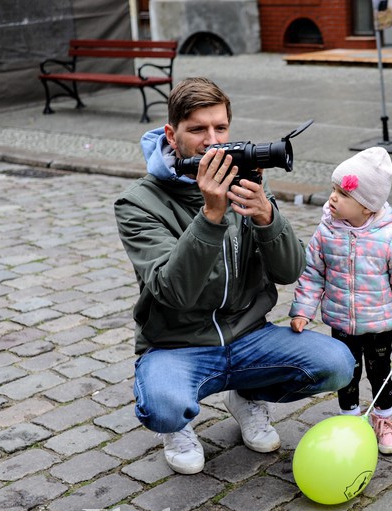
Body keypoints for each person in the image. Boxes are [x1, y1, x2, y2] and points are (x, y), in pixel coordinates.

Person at [114, 77, 355, 475]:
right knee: (163, 406)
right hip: (177, 345)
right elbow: (174, 291)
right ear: (172, 136)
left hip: (249, 335)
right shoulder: (138, 203)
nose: (212, 140)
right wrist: (210, 216)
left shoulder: (245, 177)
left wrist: (266, 216)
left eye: (220, 128)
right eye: (197, 130)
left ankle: (246, 397)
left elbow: (289, 270)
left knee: (337, 363)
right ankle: (178, 427)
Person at [289, 147, 392, 455]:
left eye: (343, 193)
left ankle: (384, 420)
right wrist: (302, 310)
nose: (333, 198)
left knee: (380, 372)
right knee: (345, 373)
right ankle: (350, 420)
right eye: (333, 190)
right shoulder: (326, 232)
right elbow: (313, 273)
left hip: (379, 324)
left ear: (367, 207)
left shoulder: (389, 237)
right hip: (341, 321)